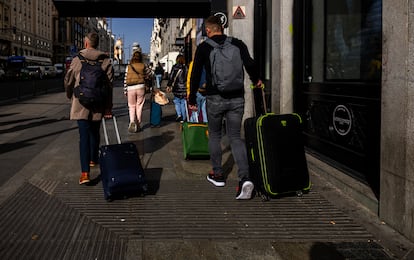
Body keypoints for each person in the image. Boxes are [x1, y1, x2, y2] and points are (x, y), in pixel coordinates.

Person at [188, 15, 262, 200]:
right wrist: (257, 79)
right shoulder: (237, 43)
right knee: (236, 137)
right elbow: (250, 64)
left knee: (214, 135)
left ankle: (218, 175)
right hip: (236, 98)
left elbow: (196, 73)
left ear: (208, 30)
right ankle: (245, 178)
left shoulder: (204, 47)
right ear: (222, 28)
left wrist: (192, 99)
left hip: (214, 98)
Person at [64, 32, 114, 185]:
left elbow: (68, 81)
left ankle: (85, 173)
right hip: (98, 103)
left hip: (81, 103)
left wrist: (70, 95)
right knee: (95, 132)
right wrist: (108, 108)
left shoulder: (77, 60)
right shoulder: (105, 60)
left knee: (83, 136)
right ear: (97, 44)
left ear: (86, 44)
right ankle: (93, 159)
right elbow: (109, 86)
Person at [124, 51, 153, 133]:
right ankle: (138, 124)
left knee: (131, 106)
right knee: (139, 106)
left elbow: (125, 79)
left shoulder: (128, 66)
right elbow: (151, 74)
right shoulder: (143, 65)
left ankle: (132, 121)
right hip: (140, 86)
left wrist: (125, 90)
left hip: (130, 88)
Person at [166, 54, 188, 123]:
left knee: (177, 101)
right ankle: (184, 117)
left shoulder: (175, 67)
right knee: (183, 102)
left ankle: (179, 114)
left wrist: (169, 85)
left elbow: (172, 77)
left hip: (176, 88)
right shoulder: (186, 67)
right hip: (184, 88)